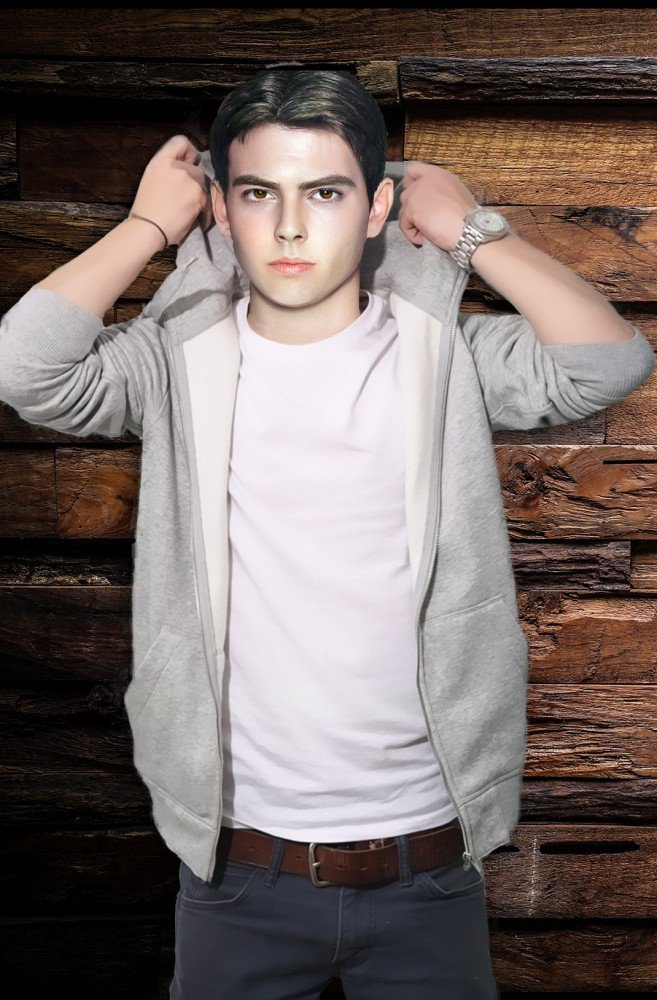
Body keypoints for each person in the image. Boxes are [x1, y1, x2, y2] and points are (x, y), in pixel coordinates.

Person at [0, 69, 653, 1000]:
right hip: (236, 872)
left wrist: (472, 228)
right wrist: (147, 225)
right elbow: (22, 368)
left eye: (325, 193)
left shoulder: (446, 354)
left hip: (429, 866)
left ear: (377, 206)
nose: (290, 228)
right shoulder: (172, 359)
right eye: (258, 194)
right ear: (221, 209)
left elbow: (608, 362)